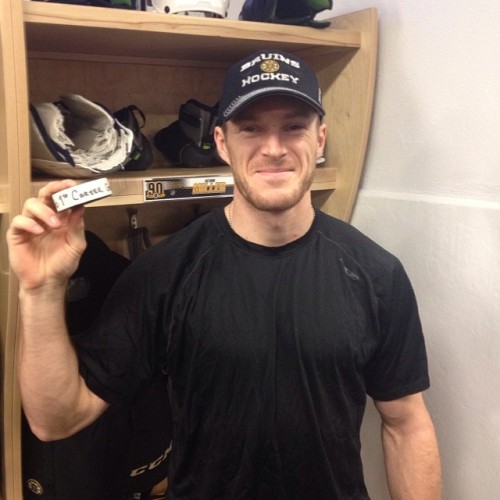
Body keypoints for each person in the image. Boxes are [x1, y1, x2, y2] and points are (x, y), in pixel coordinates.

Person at [8, 50, 441, 499]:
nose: (273, 148)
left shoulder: (376, 274)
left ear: (319, 139)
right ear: (221, 142)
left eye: (293, 126)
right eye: (250, 128)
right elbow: (56, 420)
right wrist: (41, 289)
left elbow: (406, 425)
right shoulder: (164, 272)